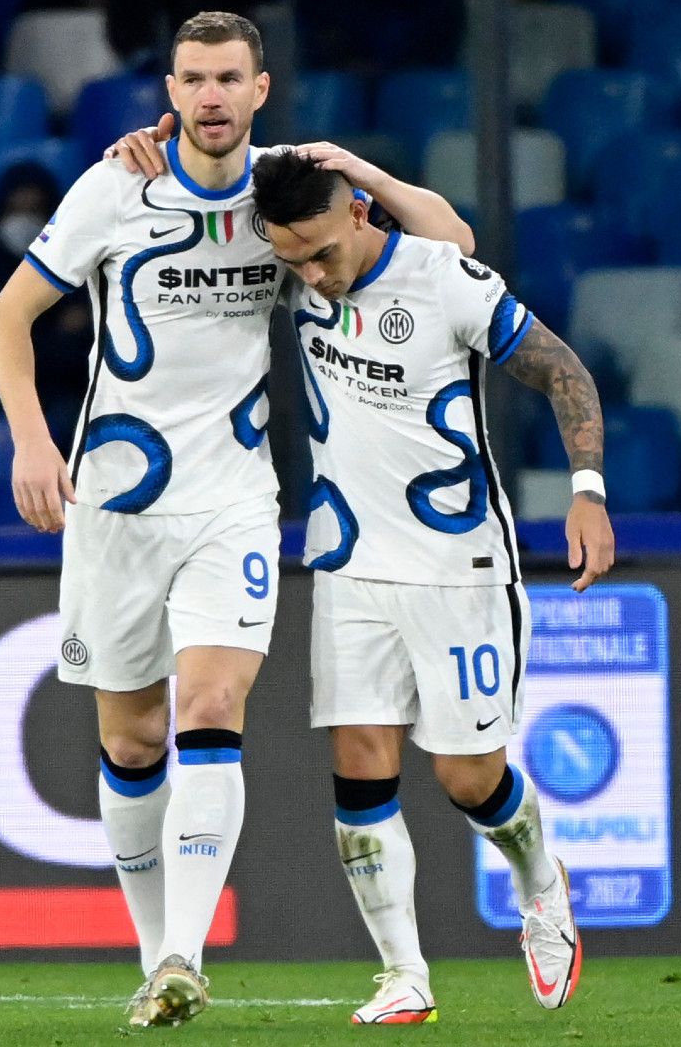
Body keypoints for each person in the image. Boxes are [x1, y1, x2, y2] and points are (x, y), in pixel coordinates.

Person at [0, 11, 471, 1027]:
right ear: (171, 90)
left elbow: (450, 244)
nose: (210, 97)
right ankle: (154, 949)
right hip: (115, 506)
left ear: (260, 91)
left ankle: (181, 957)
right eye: (194, 79)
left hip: (235, 503)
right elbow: (8, 317)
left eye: (230, 80)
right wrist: (34, 444)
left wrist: (357, 169)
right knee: (130, 739)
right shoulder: (118, 189)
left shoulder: (291, 192)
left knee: (209, 707)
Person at [250, 148, 603, 1023]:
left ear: (362, 213)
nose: (311, 277)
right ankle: (404, 974)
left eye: (322, 254)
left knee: (467, 776)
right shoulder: (297, 266)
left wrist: (587, 493)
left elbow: (563, 370)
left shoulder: (443, 280)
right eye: (292, 260)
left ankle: (541, 884)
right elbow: (208, 169)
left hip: (459, 568)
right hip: (348, 560)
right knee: (360, 766)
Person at [0, 159, 90, 453]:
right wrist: (54, 333)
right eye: (15, 210)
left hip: (71, 394)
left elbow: (91, 342)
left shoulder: (78, 261)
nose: (24, 219)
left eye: (35, 210)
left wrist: (17, 336)